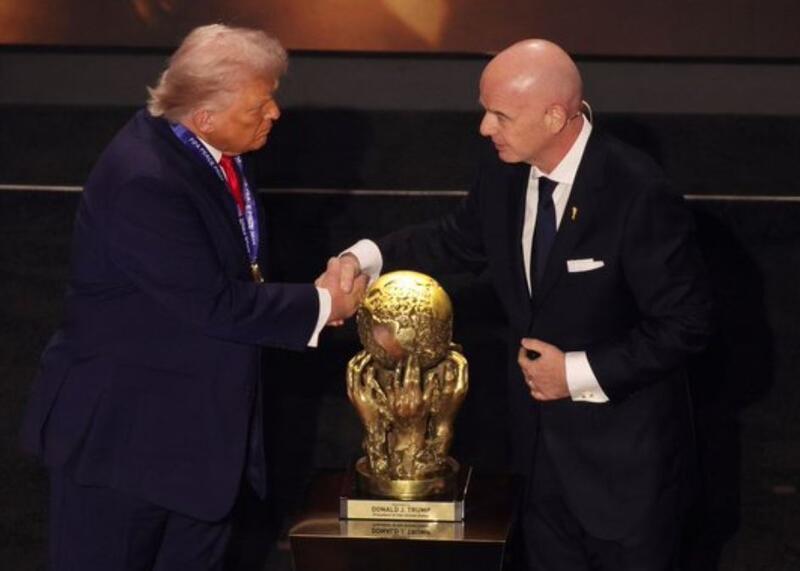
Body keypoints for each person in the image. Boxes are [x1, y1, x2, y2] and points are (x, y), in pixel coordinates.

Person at [335, 39, 712, 569]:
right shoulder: (506, 170)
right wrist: (362, 258)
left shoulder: (637, 191)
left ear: (555, 116)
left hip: (625, 475)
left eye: (500, 116)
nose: (484, 128)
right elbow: (455, 240)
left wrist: (574, 373)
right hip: (535, 463)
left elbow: (686, 323)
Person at [20, 24, 366, 571]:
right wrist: (323, 304)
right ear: (204, 116)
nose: (275, 113)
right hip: (125, 452)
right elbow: (212, 303)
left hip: (196, 454)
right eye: (259, 105)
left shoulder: (211, 150)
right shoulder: (144, 180)